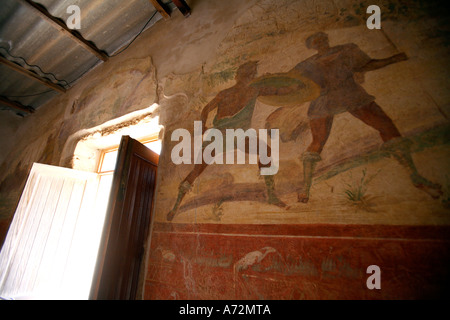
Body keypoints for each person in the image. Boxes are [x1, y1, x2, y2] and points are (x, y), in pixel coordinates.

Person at [292, 32, 442, 203]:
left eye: (323, 39)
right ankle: (305, 189)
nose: (321, 43)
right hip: (324, 102)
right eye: (316, 42)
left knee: (387, 127)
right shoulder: (307, 65)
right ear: (312, 46)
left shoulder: (346, 50)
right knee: (317, 142)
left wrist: (393, 59)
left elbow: (367, 65)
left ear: (327, 39)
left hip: (351, 95)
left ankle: (414, 175)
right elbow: (288, 81)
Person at [167, 61, 295, 221]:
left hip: (225, 135)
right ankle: (175, 206)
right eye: (251, 74)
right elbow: (278, 90)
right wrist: (290, 86)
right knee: (198, 169)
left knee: (198, 170)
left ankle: (271, 195)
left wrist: (203, 127)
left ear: (237, 76)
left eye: (252, 74)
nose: (251, 76)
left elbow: (206, 109)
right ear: (247, 76)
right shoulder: (253, 90)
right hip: (227, 135)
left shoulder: (230, 92)